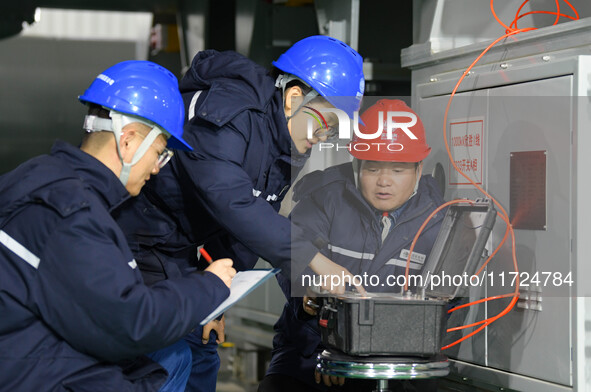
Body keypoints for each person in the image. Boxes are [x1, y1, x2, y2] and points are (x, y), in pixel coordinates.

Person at [113, 35, 366, 391]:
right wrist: (316, 260)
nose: (326, 137)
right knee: (166, 360)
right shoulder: (229, 110)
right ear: (295, 98)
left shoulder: (289, 133)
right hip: (139, 244)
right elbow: (231, 202)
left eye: (336, 129)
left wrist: (217, 300)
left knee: (202, 353)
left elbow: (253, 221)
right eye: (327, 123)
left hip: (183, 254)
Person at [0, 60, 235, 392]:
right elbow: (132, 324)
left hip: (24, 346)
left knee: (175, 357)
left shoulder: (40, 175)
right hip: (30, 369)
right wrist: (210, 286)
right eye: (159, 153)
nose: (157, 168)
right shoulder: (73, 213)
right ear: (127, 142)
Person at [258, 99, 446, 392]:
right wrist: (311, 307)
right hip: (311, 351)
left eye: (397, 171)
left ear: (418, 170)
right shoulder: (325, 199)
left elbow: (447, 304)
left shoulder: (439, 220)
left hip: (396, 362)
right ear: (356, 164)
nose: (384, 182)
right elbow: (289, 259)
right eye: (372, 169)